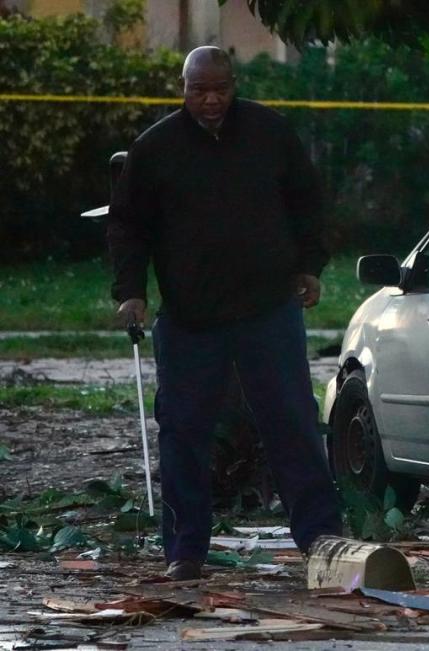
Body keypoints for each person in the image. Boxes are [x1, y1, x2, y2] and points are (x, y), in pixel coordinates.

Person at [107, 46, 341, 580]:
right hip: (191, 316)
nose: (211, 101)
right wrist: (131, 291)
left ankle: (321, 537)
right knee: (183, 432)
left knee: (292, 423)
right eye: (199, 90)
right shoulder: (155, 148)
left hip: (268, 308)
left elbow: (308, 203)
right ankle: (185, 552)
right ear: (182, 88)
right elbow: (127, 225)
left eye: (221, 89)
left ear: (235, 84)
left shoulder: (270, 133)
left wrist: (309, 266)